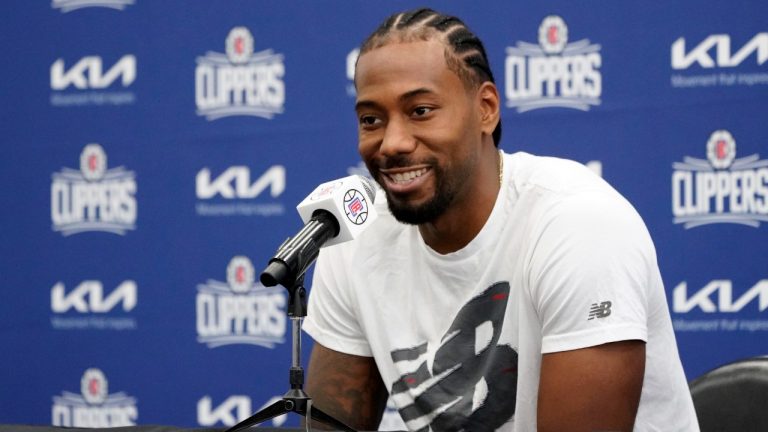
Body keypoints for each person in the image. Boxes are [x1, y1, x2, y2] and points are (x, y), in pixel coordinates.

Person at [303, 8, 699, 432]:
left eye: (420, 110)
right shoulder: (354, 236)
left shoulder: (579, 224)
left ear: (486, 109)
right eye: (371, 120)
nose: (392, 142)